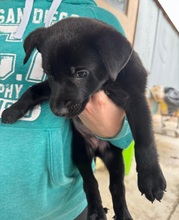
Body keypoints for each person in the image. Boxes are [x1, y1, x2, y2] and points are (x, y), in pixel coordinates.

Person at [0, 0, 134, 219]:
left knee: (110, 169)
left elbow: (131, 114)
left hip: (63, 208)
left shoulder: (101, 25)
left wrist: (115, 127)